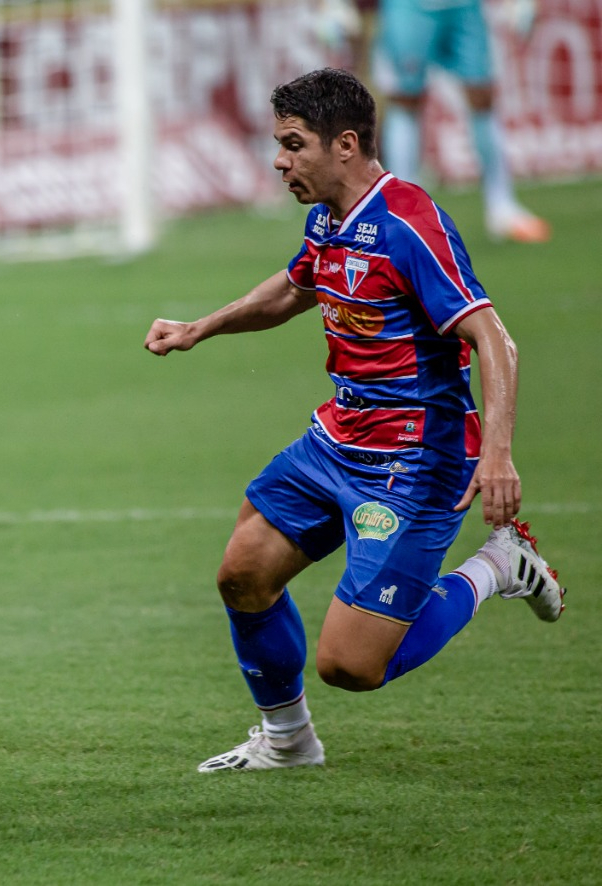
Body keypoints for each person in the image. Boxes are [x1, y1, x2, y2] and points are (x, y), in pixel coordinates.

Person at [144, 68, 564, 772]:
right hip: (338, 437)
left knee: (351, 666)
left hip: (413, 461)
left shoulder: (408, 222)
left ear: (344, 144)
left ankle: (500, 564)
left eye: (292, 144)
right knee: (242, 572)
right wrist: (201, 328)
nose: (279, 160)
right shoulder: (330, 218)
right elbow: (294, 287)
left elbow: (494, 338)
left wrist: (498, 454)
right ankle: (287, 741)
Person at [376, 0, 550, 242]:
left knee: (482, 95)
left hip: (464, 6)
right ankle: (402, 213)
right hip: (410, 6)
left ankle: (502, 207)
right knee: (405, 98)